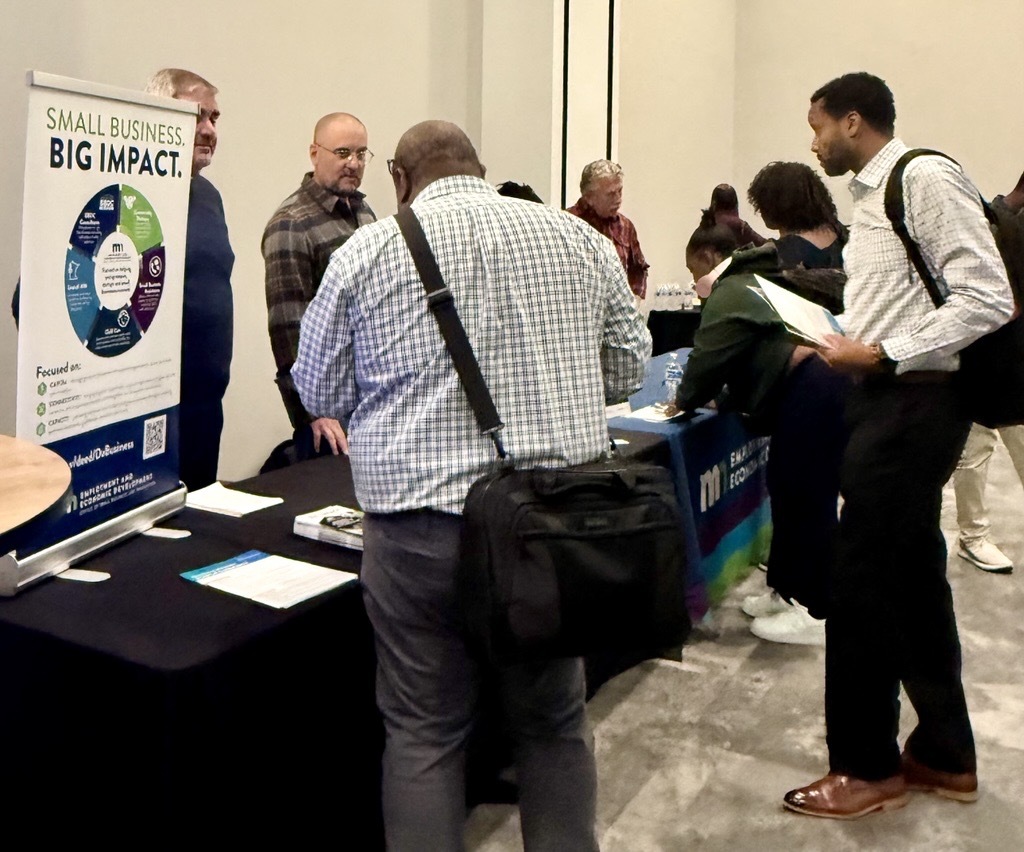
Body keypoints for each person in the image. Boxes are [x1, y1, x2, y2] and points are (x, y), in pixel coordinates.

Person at [292, 119, 650, 850]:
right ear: (480, 168)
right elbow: (624, 372)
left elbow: (320, 388)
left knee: (423, 731)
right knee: (552, 723)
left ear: (400, 177)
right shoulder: (578, 240)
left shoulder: (367, 251)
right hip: (549, 527)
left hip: (420, 534)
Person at [782, 72, 1014, 820]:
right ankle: (946, 753)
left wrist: (882, 354)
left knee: (860, 587)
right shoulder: (873, 199)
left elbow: (986, 296)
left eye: (818, 126)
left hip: (915, 403)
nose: (813, 142)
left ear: (854, 122)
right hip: (888, 398)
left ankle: (865, 765)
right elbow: (893, 296)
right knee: (912, 580)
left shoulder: (923, 177)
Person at [676, 225, 849, 647]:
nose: (692, 281)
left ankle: (815, 608)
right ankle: (786, 591)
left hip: (812, 388)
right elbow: (750, 355)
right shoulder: (759, 280)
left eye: (693, 267)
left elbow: (704, 365)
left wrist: (686, 398)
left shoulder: (730, 291)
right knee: (787, 492)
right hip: (812, 387)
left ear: (710, 257)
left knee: (807, 497)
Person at [262, 113, 377, 461]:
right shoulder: (290, 225)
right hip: (328, 418)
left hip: (370, 403)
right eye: (342, 152)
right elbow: (287, 329)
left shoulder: (364, 212)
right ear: (314, 153)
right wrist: (312, 414)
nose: (353, 164)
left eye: (361, 154)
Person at [145, 69, 235, 491]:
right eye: (198, 116)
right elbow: (30, 300)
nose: (209, 130)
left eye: (214, 118)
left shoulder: (208, 196)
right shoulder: (124, 190)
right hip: (146, 416)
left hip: (204, 411)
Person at [952, 170, 1024, 573]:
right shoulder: (992, 226)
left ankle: (973, 536)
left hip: (1006, 358)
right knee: (976, 452)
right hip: (989, 359)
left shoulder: (1001, 221)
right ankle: (973, 536)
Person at [567, 159, 650, 298]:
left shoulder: (625, 226)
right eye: (611, 194)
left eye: (620, 191)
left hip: (618, 312)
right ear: (589, 197)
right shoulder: (567, 223)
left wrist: (636, 298)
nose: (618, 199)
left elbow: (639, 269)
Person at [700, 183, 767, 248]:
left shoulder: (706, 224)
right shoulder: (740, 226)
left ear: (714, 203)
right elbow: (763, 244)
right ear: (735, 202)